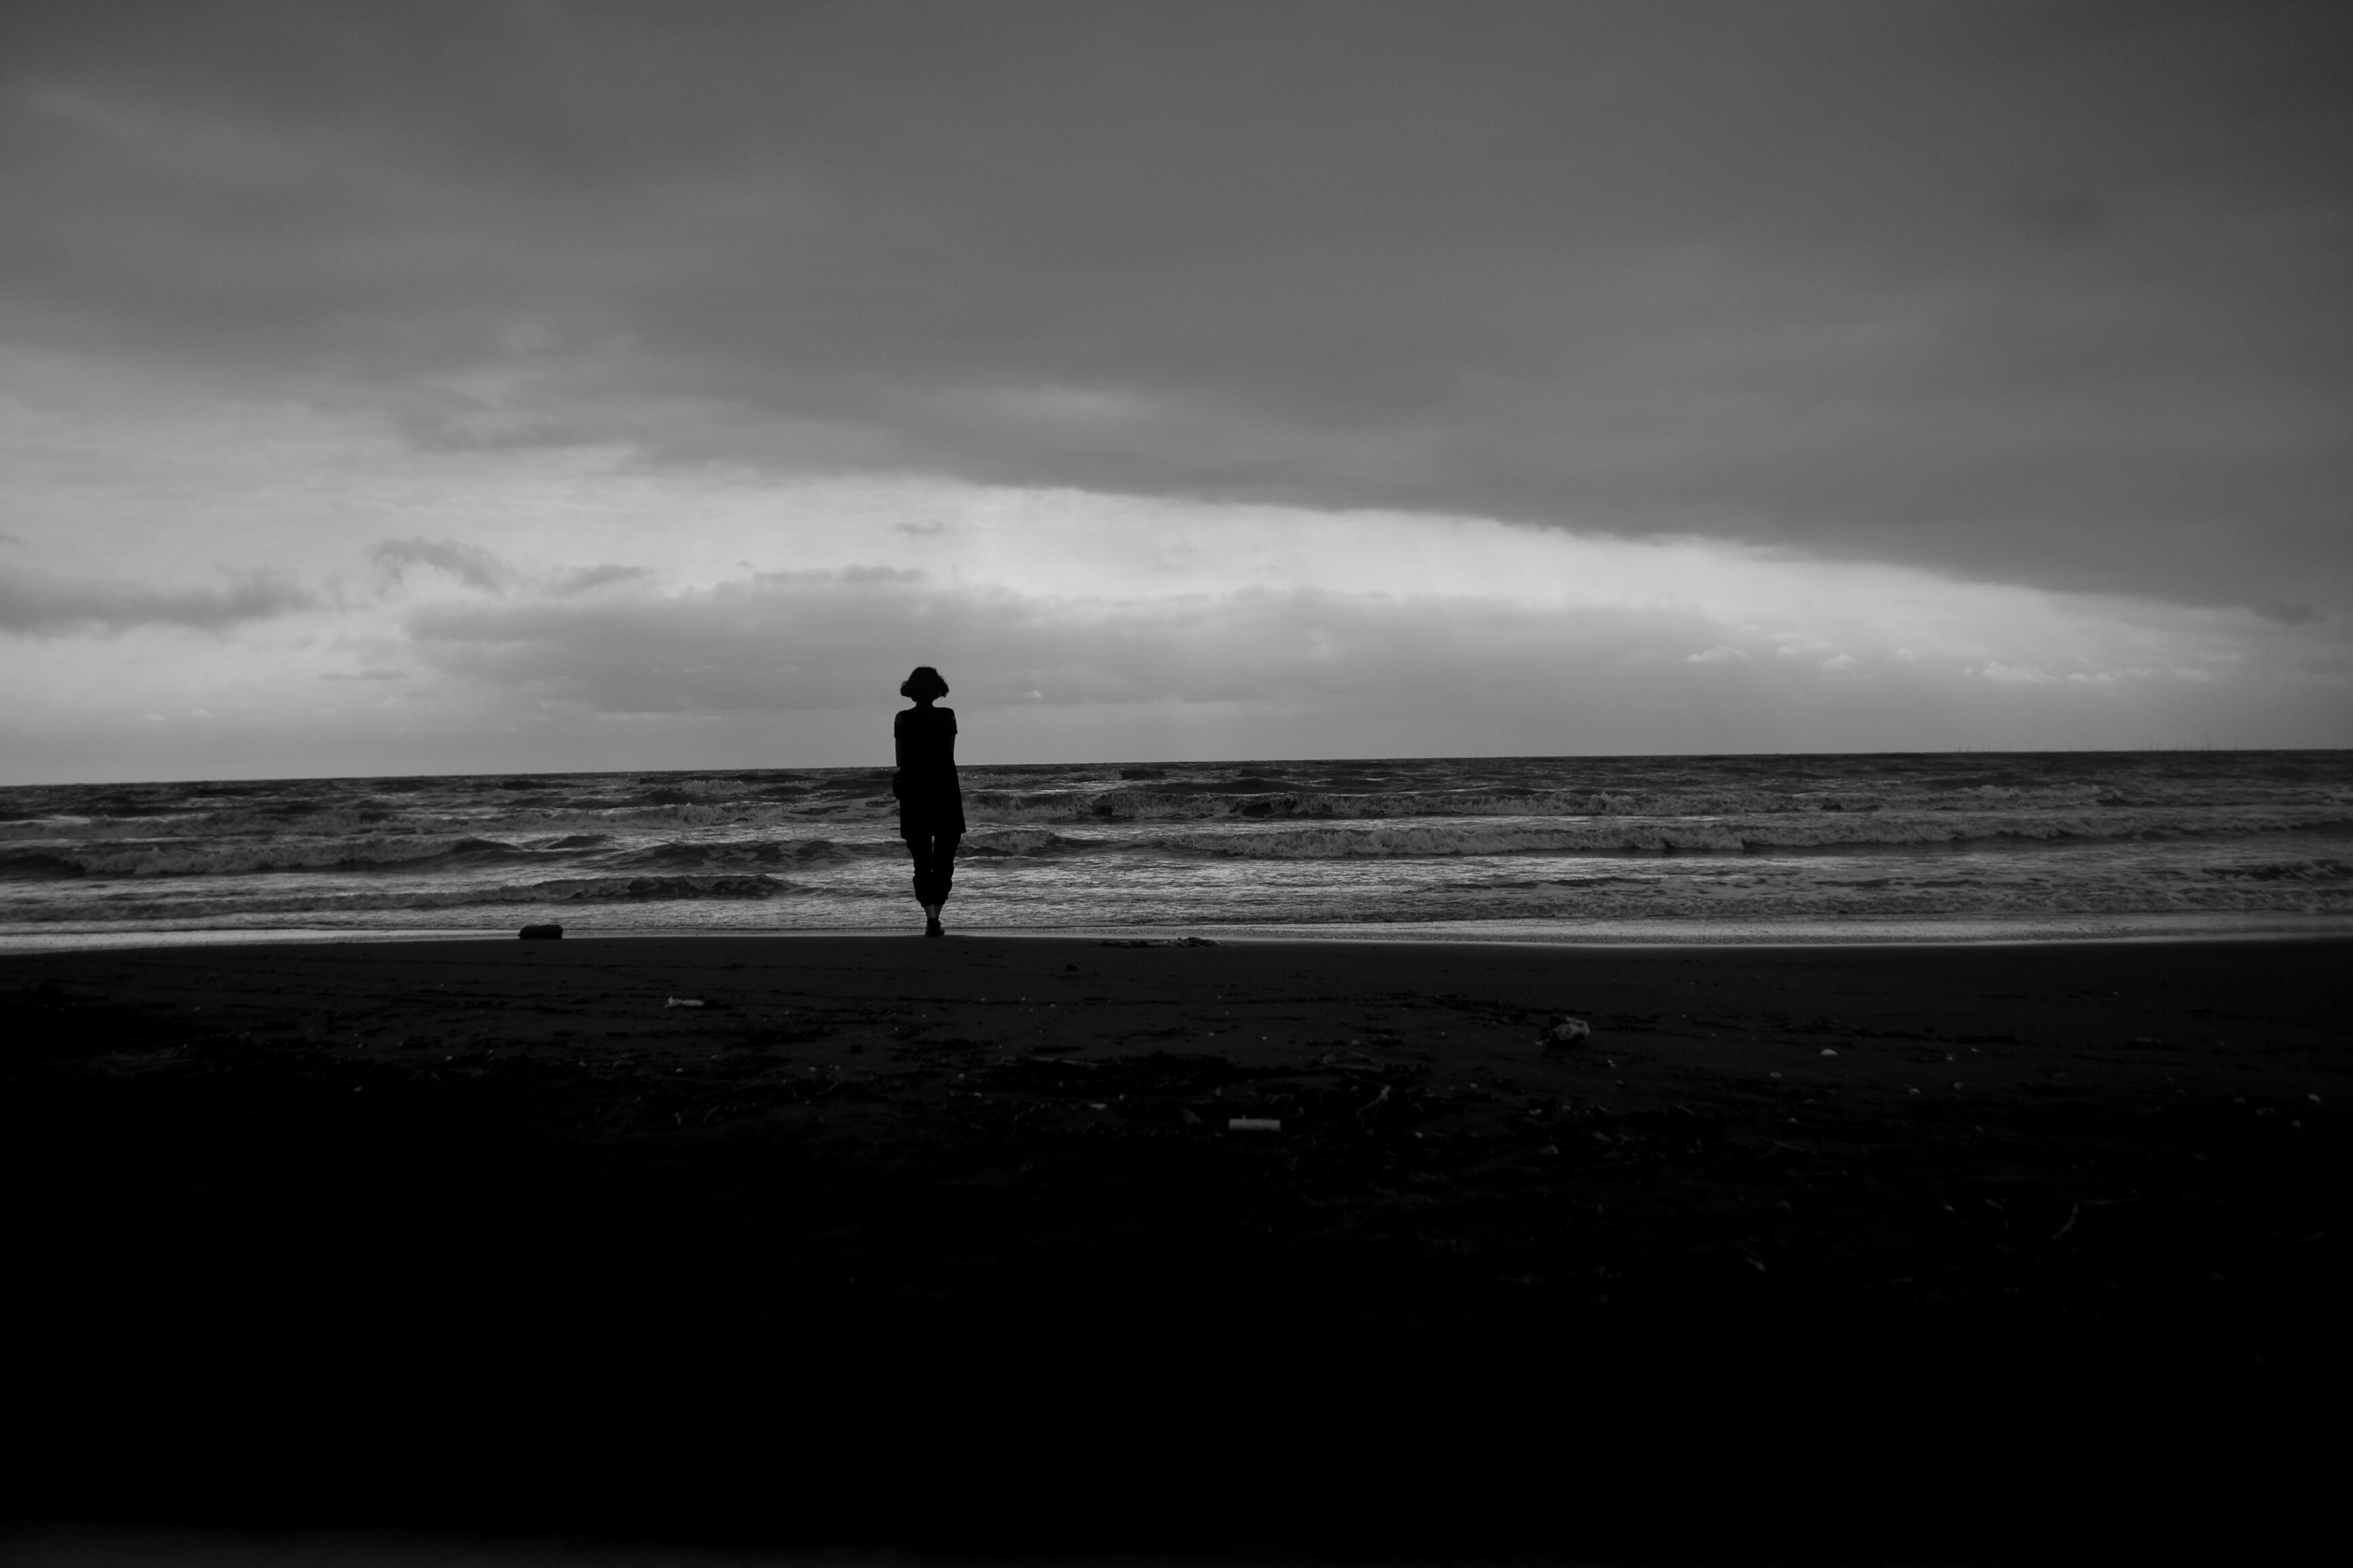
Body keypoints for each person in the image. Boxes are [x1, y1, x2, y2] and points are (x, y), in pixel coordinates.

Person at [893, 666, 965, 938]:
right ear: (937, 690)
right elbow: (948, 755)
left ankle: (931, 918)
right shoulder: (948, 717)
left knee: (922, 859)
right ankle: (936, 914)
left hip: (915, 790)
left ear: (911, 691)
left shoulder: (902, 719)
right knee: (945, 857)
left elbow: (901, 761)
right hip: (944, 789)